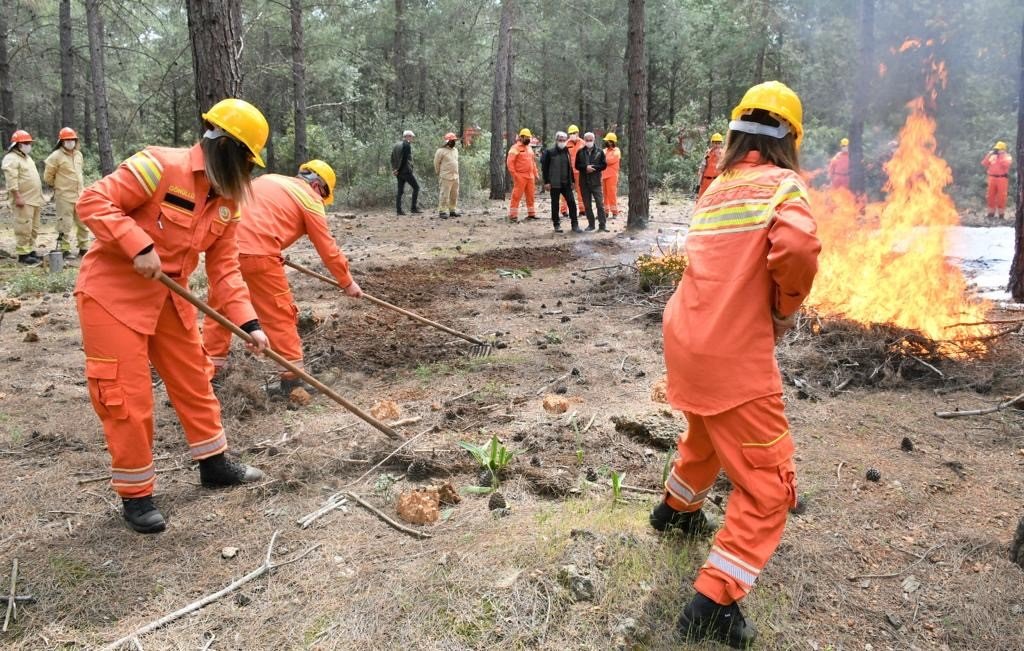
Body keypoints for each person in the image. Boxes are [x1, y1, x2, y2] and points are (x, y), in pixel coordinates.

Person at [652, 80, 820, 648]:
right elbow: (798, 251)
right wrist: (784, 307)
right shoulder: (783, 186)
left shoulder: (717, 187)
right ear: (789, 139)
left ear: (736, 135)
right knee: (769, 486)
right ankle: (715, 601)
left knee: (706, 431)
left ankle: (676, 511)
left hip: (687, 339)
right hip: (733, 353)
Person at [75, 98, 271, 534]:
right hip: (113, 295)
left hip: (170, 297)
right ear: (228, 148)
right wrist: (137, 245)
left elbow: (226, 271)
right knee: (126, 396)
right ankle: (137, 494)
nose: (248, 173)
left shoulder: (227, 202)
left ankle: (214, 463)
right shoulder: (158, 166)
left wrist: (250, 325)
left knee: (195, 378)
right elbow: (92, 201)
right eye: (247, 162)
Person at [204, 159, 361, 394]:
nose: (321, 200)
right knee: (279, 314)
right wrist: (347, 282)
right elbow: (328, 248)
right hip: (259, 256)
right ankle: (293, 380)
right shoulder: (310, 199)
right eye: (324, 196)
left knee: (219, 313)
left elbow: (253, 217)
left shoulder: (269, 179)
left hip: (222, 251)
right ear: (318, 186)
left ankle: (209, 376)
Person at [44, 127, 90, 258]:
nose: (70, 142)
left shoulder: (78, 155)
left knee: (83, 223)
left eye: (72, 139)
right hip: (64, 196)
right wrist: (58, 186)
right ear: (62, 141)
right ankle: (65, 249)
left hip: (79, 195)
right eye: (67, 140)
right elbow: (48, 176)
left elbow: (79, 172)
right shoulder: (55, 156)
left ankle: (84, 248)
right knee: (65, 224)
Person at [2, 130, 43, 264]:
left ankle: (30, 250)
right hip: (23, 199)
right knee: (23, 227)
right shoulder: (11, 158)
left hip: (34, 199)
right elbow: (11, 180)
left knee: (33, 228)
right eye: (26, 143)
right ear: (18, 144)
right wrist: (17, 196)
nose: (28, 145)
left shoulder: (27, 158)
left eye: (29, 143)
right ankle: (23, 254)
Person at [541, 131, 579, 233]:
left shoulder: (567, 152)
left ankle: (575, 224)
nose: (562, 142)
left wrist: (573, 181)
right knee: (555, 204)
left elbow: (570, 167)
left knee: (572, 202)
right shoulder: (549, 152)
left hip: (566, 183)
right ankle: (556, 224)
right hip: (554, 183)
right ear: (556, 140)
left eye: (563, 140)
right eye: (560, 140)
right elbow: (544, 168)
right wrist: (546, 182)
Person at [574, 131, 607, 232]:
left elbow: (604, 165)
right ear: (584, 140)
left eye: (590, 140)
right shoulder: (580, 152)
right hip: (584, 182)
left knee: (600, 204)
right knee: (587, 205)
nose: (589, 141)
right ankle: (591, 225)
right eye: (587, 140)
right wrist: (585, 168)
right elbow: (576, 165)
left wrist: (594, 168)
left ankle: (602, 225)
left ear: (594, 140)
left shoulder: (600, 152)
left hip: (596, 182)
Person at [506, 128, 538, 222]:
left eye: (529, 137)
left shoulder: (529, 148)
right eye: (526, 137)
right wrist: (514, 175)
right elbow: (510, 163)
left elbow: (533, 162)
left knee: (530, 196)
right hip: (520, 176)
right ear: (521, 137)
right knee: (516, 196)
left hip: (530, 176)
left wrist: (536, 173)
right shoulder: (515, 148)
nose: (528, 139)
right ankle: (513, 216)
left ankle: (531, 214)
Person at [391, 130, 421, 215]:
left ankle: (399, 210)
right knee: (416, 187)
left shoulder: (396, 145)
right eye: (411, 137)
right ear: (407, 136)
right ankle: (413, 208)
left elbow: (392, 158)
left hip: (399, 173)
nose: (412, 139)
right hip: (405, 171)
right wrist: (398, 169)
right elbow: (404, 160)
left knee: (400, 191)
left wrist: (394, 169)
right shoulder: (407, 145)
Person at [559, 124, 586, 218]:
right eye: (570, 133)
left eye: (574, 133)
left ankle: (582, 210)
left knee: (581, 190)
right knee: (565, 191)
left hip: (579, 171)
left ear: (577, 133)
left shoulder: (583, 143)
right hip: (568, 172)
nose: (572, 135)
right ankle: (564, 210)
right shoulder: (565, 144)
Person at [982, 141, 1013, 219]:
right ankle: (991, 213)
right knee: (990, 196)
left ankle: (1001, 215)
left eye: (998, 149)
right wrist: (989, 155)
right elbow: (984, 163)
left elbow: (1006, 164)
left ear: (1003, 150)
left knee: (1001, 197)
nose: (997, 151)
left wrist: (1001, 156)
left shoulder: (1007, 156)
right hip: (991, 178)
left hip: (1002, 178)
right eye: (996, 149)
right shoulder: (992, 156)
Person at [433, 132, 461, 218]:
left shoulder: (455, 150)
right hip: (445, 176)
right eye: (452, 141)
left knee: (454, 195)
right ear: (448, 141)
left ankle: (452, 210)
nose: (454, 142)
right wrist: (438, 172)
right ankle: (442, 211)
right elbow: (436, 163)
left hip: (455, 176)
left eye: (454, 140)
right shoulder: (440, 151)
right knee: (444, 195)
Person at [697, 133, 724, 198]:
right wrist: (698, 185)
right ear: (712, 143)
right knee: (702, 199)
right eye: (715, 143)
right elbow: (702, 170)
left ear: (721, 144)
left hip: (717, 182)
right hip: (706, 182)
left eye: (718, 143)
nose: (717, 145)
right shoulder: (707, 154)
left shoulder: (724, 154)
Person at [602, 133, 621, 219]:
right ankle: (605, 212)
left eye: (608, 141)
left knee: (612, 194)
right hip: (604, 175)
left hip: (612, 175)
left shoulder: (617, 151)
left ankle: (614, 212)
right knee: (604, 194)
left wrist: (603, 160)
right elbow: (599, 159)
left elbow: (610, 160)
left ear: (612, 142)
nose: (606, 142)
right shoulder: (604, 150)